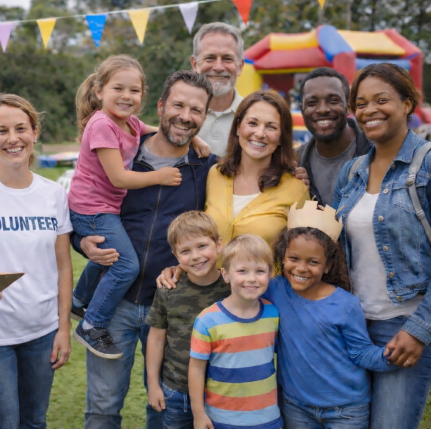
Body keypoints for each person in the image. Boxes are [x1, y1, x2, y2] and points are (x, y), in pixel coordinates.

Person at [72, 70, 216, 429]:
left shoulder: (208, 168)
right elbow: (83, 211)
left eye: (196, 110)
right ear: (161, 105)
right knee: (103, 408)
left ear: (204, 117)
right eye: (178, 105)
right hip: (116, 306)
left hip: (170, 307)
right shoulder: (123, 155)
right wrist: (82, 243)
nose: (186, 116)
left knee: (164, 406)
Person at [333, 63, 431, 429]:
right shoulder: (352, 171)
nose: (370, 110)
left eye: (381, 99)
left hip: (405, 325)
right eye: (361, 103)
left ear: (408, 103)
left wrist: (420, 329)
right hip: (353, 324)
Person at [0, 94, 73, 429]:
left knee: (34, 421)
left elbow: (63, 266)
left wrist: (63, 327)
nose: (12, 138)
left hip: (42, 331)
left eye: (21, 128)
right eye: (1, 130)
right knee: (4, 424)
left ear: (35, 132)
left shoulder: (54, 195)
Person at [266, 202, 395, 429]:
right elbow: (240, 283)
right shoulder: (275, 289)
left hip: (345, 411)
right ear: (283, 256)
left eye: (313, 262)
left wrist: (394, 356)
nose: (301, 268)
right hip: (296, 407)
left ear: (327, 266)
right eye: (294, 258)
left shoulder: (345, 304)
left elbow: (361, 352)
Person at [145, 211, 230, 429]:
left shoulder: (233, 288)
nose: (195, 256)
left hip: (222, 391)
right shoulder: (169, 289)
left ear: (219, 244)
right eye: (185, 251)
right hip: (177, 391)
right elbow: (156, 339)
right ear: (176, 255)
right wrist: (153, 385)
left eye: (202, 246)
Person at [189, 234, 282, 429]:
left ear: (270, 274)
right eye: (242, 271)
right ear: (226, 274)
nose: (251, 279)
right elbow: (196, 370)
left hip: (268, 419)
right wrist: (198, 414)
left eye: (260, 271)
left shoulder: (273, 314)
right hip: (222, 420)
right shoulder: (208, 320)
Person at [205, 90, 310, 253]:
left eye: (271, 127)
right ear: (238, 127)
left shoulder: (297, 188)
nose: (260, 134)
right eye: (252, 123)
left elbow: (303, 253)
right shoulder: (214, 175)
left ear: (281, 137)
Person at [296, 68, 372, 206]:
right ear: (302, 110)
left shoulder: (378, 153)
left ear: (348, 106)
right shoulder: (294, 163)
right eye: (312, 102)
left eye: (333, 100)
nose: (323, 109)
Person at [192, 22, 245, 156]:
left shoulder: (253, 115)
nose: (219, 67)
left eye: (227, 59)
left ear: (240, 66)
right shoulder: (179, 114)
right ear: (194, 64)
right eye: (210, 58)